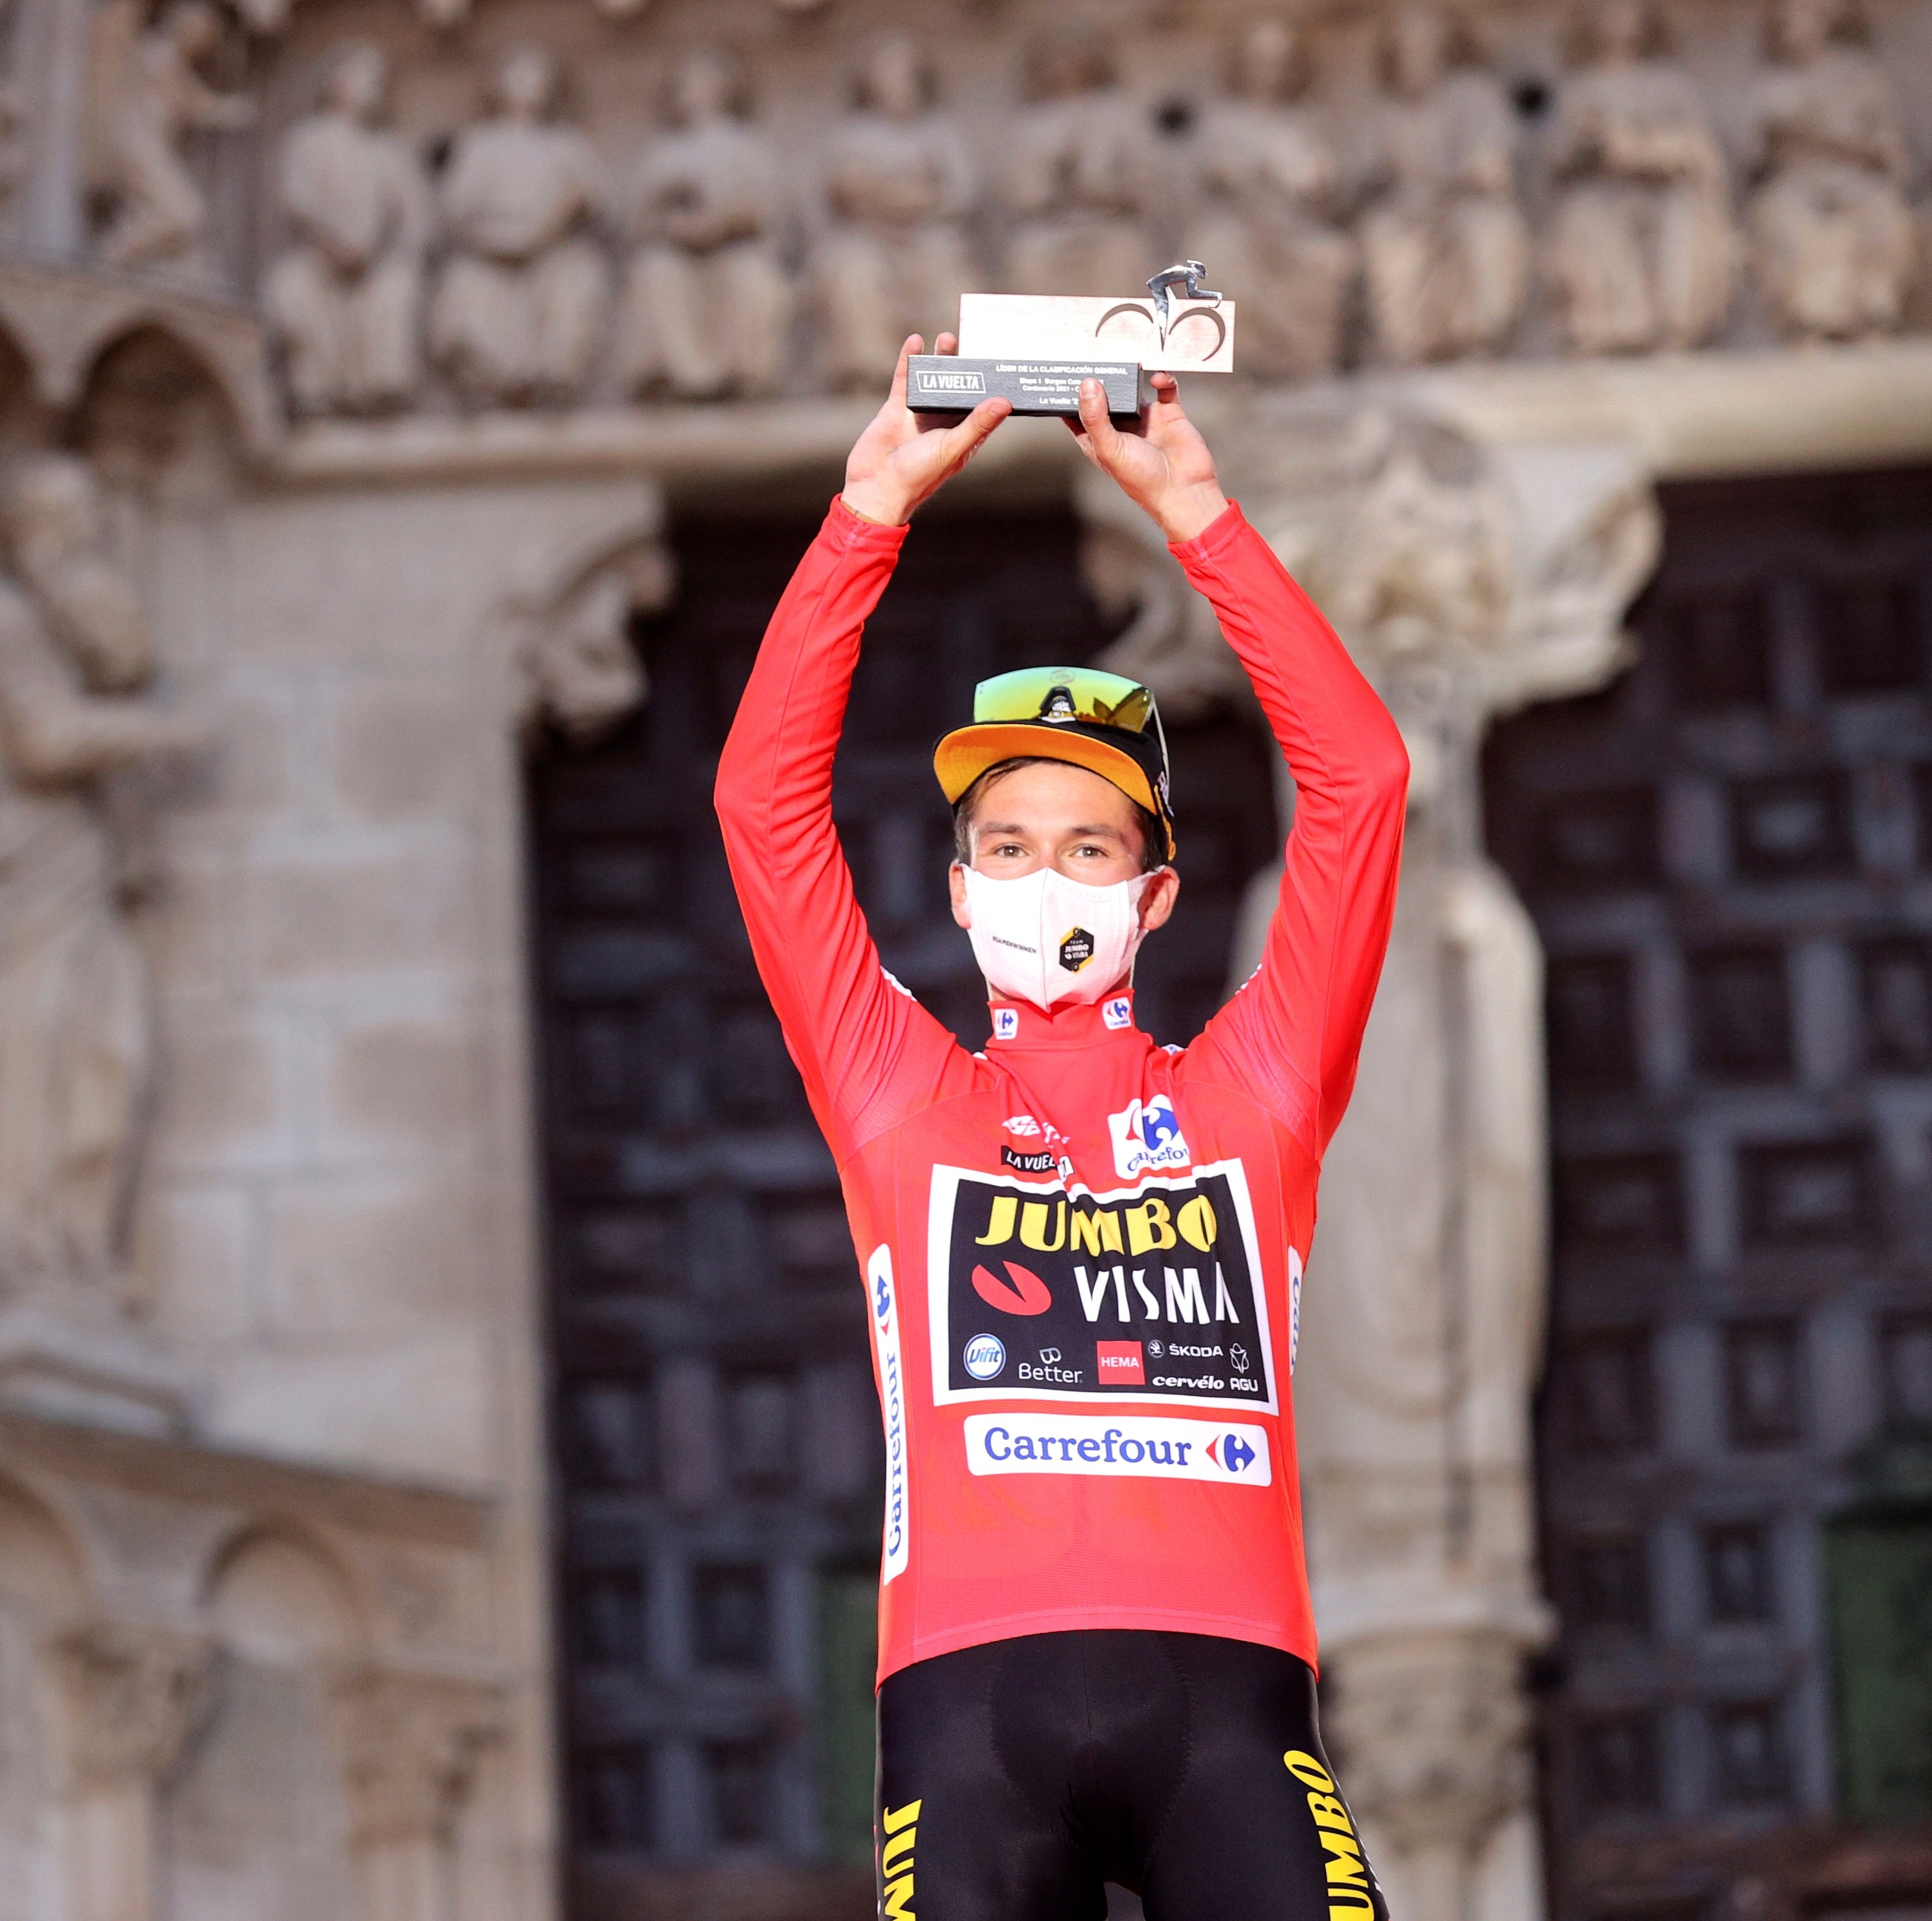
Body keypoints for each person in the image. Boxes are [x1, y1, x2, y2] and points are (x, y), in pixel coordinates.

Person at [715, 344, 1408, 1921]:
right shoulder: (901, 1084)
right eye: (1006, 847)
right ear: (956, 891)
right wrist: (869, 505)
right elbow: (762, 808)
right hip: (965, 1728)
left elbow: (1360, 786)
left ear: (1153, 893)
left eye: (1087, 844)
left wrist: (1197, 512)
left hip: (1229, 1717)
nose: (1045, 879)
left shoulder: (1252, 1091)